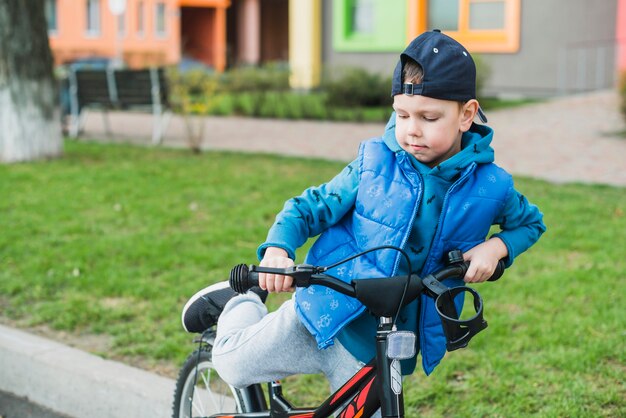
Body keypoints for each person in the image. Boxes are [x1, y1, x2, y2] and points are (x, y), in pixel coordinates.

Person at [181, 29, 546, 403]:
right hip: (322, 312)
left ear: (466, 114)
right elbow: (309, 207)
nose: (411, 130)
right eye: (401, 114)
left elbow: (531, 223)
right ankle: (241, 302)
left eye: (429, 117)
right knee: (233, 364)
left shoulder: (491, 185)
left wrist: (497, 247)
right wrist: (277, 250)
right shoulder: (374, 164)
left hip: (385, 348)